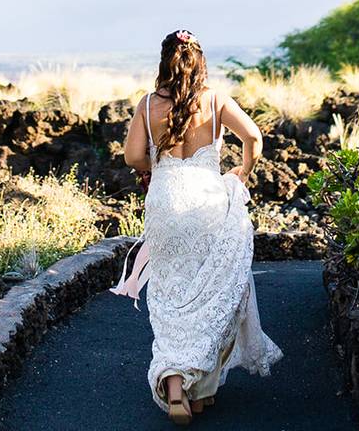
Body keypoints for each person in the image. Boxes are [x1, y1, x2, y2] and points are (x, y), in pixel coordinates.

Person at [111, 29, 284, 425]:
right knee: (218, 291)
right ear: (199, 62)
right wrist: (242, 170)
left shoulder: (148, 105)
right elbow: (254, 137)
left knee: (172, 296)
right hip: (208, 200)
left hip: (166, 200)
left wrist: (155, 167)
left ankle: (181, 384)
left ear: (163, 62)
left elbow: (133, 155)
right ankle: (198, 388)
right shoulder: (215, 99)